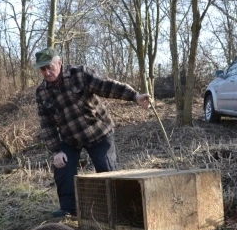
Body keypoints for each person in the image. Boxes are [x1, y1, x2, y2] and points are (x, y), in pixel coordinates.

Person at [34, 47, 152, 217]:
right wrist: (56, 151)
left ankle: (115, 209)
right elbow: (46, 124)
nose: (46, 72)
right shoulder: (42, 92)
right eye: (42, 69)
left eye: (49, 67)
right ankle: (69, 209)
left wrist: (134, 96)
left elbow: (107, 86)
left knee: (107, 171)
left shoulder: (80, 74)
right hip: (70, 137)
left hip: (98, 131)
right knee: (62, 167)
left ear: (59, 63)